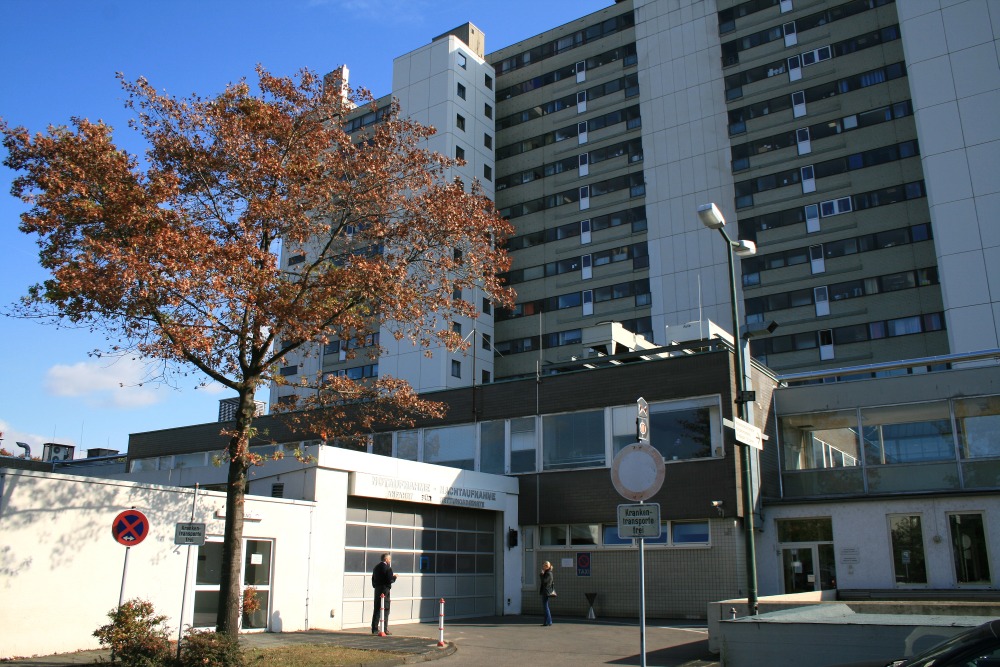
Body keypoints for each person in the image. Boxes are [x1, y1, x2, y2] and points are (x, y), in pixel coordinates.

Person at [371, 552, 397, 635]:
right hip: (385, 590)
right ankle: (384, 629)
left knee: (377, 609)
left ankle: (374, 629)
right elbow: (389, 580)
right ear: (386, 559)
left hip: (377, 589)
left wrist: (376, 586)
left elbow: (373, 579)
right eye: (389, 559)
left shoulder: (376, 568)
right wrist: (394, 577)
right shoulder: (388, 568)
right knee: (386, 609)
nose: (390, 560)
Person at [539, 560, 555, 626]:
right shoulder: (548, 572)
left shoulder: (548, 573)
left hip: (546, 592)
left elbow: (544, 582)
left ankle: (549, 621)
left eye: (544, 566)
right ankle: (546, 622)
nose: (543, 567)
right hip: (545, 591)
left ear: (547, 567)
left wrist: (542, 575)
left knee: (546, 607)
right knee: (545, 607)